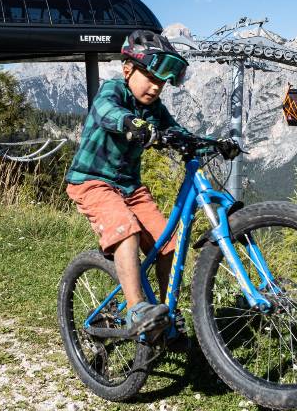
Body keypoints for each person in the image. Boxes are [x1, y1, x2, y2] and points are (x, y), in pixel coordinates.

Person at [65, 29, 238, 341]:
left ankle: (162, 317)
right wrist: (133, 123)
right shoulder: (114, 91)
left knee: (169, 246)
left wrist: (213, 145)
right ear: (128, 69)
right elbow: (107, 111)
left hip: (131, 187)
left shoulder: (155, 109)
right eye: (150, 76)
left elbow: (178, 132)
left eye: (162, 81)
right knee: (125, 229)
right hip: (92, 182)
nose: (156, 86)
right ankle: (136, 309)